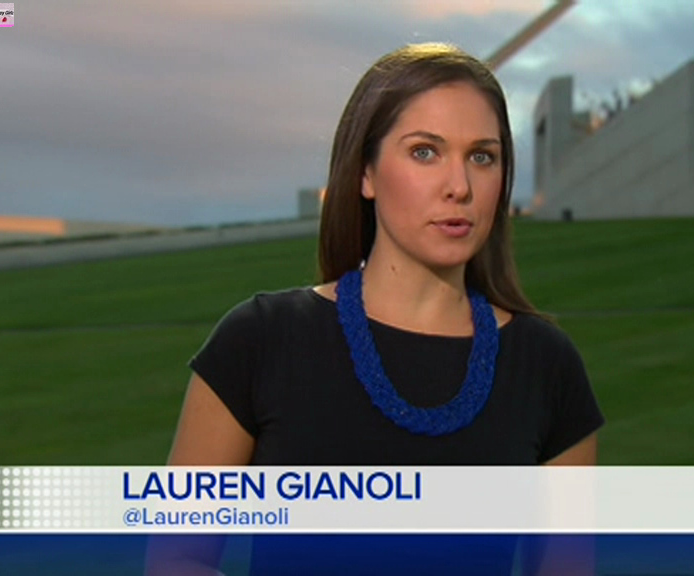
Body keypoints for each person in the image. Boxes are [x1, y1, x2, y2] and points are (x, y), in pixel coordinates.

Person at [147, 42, 604, 576]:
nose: (459, 187)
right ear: (366, 172)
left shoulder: (547, 367)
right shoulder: (261, 340)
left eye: (482, 156)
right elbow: (175, 559)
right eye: (425, 152)